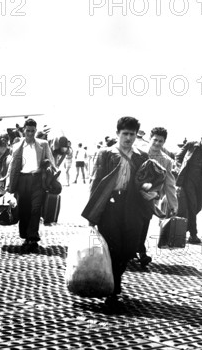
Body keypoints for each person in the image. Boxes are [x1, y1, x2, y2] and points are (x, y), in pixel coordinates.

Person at [81, 116, 151, 309]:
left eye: (132, 134)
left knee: (129, 249)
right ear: (117, 134)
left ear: (137, 135)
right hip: (110, 206)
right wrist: (92, 215)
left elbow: (147, 181)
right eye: (125, 134)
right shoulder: (105, 154)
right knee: (113, 248)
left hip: (133, 207)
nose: (128, 138)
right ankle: (113, 289)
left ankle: (115, 282)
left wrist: (149, 188)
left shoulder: (141, 156)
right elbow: (95, 183)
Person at [7, 118, 54, 253]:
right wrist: (9, 186)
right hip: (22, 181)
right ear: (23, 130)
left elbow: (51, 162)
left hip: (38, 180)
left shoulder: (43, 144)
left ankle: (32, 237)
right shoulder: (17, 146)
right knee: (23, 210)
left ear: (35, 131)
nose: (30, 133)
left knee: (36, 209)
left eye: (33, 131)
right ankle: (26, 236)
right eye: (27, 131)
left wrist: (48, 169)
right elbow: (12, 167)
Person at [136, 127, 179, 268]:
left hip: (151, 198)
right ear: (150, 138)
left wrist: (173, 205)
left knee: (143, 224)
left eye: (161, 141)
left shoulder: (166, 160)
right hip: (133, 194)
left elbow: (170, 184)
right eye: (155, 140)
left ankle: (141, 252)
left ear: (164, 142)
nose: (157, 144)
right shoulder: (138, 151)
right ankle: (131, 250)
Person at [175, 130, 202, 244]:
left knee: (198, 206)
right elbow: (178, 157)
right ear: (201, 138)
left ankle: (184, 229)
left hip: (201, 182)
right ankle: (193, 234)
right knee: (192, 205)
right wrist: (180, 169)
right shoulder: (191, 145)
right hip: (188, 179)